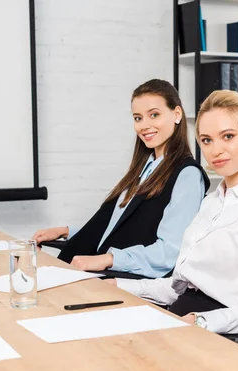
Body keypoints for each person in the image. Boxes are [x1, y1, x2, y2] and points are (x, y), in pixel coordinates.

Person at [112, 90, 238, 336]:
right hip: (181, 317)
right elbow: (176, 289)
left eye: (228, 136)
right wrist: (117, 285)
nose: (216, 150)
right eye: (206, 140)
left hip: (216, 332)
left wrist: (199, 322)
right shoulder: (212, 202)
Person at [32, 79, 209, 279]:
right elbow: (120, 229)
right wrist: (66, 231)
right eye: (138, 118)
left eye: (154, 115)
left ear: (177, 114)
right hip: (101, 273)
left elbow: (169, 252)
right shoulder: (144, 168)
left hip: (126, 283)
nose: (145, 125)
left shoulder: (187, 175)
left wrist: (109, 259)